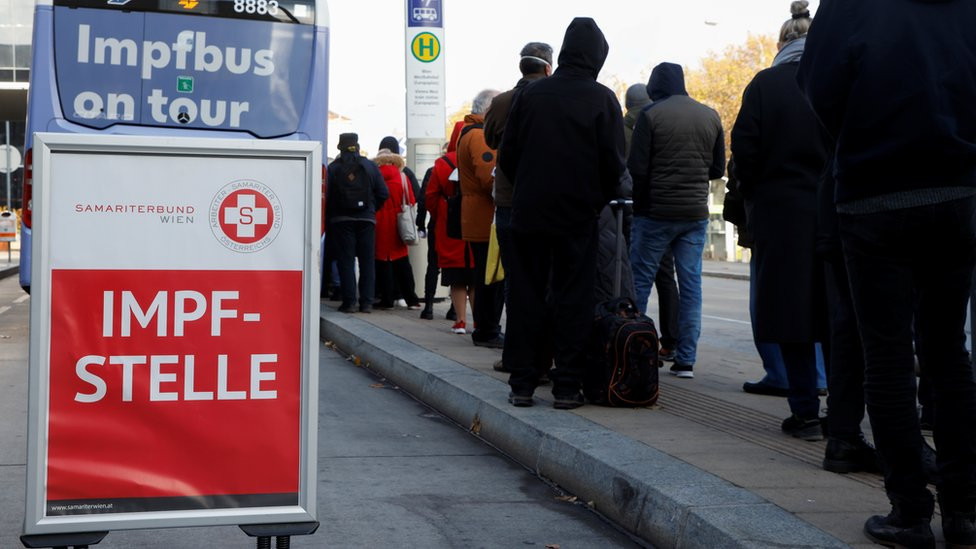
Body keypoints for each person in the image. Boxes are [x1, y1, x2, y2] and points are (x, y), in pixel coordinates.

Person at [799, 0, 976, 546]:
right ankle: (965, 512)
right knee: (949, 354)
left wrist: (856, 140)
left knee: (888, 356)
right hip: (955, 189)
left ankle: (910, 512)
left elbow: (817, 84)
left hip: (874, 194)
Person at [501, 17, 625, 409]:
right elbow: (613, 165)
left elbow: (508, 156)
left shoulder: (532, 95)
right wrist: (593, 200)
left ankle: (522, 383)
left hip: (530, 212)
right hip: (577, 216)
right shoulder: (603, 99)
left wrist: (529, 186)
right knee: (573, 298)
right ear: (597, 57)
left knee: (526, 295)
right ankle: (567, 386)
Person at [730, 0, 830, 440]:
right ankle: (844, 420)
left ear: (781, 44)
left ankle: (805, 410)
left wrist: (750, 198)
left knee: (792, 317)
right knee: (837, 317)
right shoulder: (835, 80)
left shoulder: (766, 85)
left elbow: (744, 153)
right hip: (834, 212)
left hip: (780, 215)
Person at [627, 62, 725, 380]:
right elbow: (716, 169)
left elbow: (637, 169)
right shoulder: (710, 115)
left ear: (656, 88)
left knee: (638, 282)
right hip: (694, 215)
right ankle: (686, 360)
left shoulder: (650, 116)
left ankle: (633, 352)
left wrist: (641, 207)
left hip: (655, 213)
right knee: (691, 285)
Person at [484, 41, 553, 374]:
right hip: (550, 202)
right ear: (548, 67)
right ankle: (547, 355)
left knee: (516, 279)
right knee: (550, 279)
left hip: (509, 201)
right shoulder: (557, 97)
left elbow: (491, 142)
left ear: (521, 67)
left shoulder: (500, 102)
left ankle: (516, 354)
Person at [623, 83, 680, 362]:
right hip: (658, 208)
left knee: (629, 276)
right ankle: (671, 340)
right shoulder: (661, 123)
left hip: (623, 210)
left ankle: (633, 334)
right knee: (666, 276)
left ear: (626, 104)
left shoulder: (618, 128)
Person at [457, 89, 504, 348]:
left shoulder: (468, 133)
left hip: (477, 216)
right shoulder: (480, 136)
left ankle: (486, 328)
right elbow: (490, 178)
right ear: (488, 110)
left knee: (484, 277)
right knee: (490, 279)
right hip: (485, 218)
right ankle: (487, 330)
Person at [325, 133, 388, 313]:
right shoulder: (370, 166)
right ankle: (366, 303)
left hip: (341, 220)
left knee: (346, 261)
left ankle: (349, 302)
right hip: (366, 219)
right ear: (357, 146)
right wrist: (371, 209)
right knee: (367, 262)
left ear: (340, 147)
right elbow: (383, 192)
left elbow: (326, 196)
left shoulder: (334, 168)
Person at [426, 122, 476, 334]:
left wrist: (439, 215)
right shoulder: (477, 156)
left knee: (456, 277)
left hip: (450, 223)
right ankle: (480, 321)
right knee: (475, 276)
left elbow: (430, 196)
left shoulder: (442, 163)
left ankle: (461, 321)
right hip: (475, 219)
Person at [372, 148, 421, 311]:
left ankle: (386, 299)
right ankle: (412, 300)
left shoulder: (375, 176)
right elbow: (411, 200)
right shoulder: (402, 176)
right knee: (402, 263)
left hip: (379, 223)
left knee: (382, 262)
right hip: (399, 222)